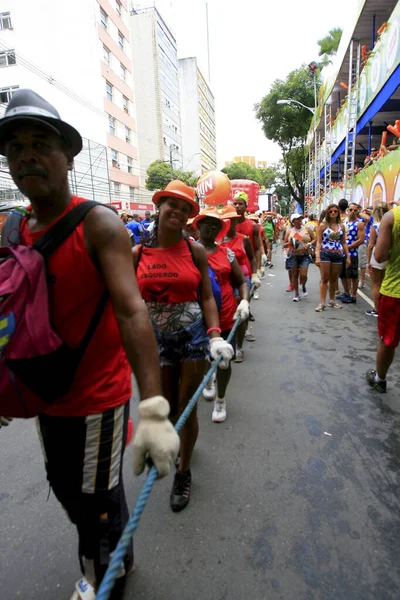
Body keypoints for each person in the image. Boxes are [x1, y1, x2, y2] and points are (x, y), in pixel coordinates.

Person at [0, 89, 180, 598]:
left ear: (68, 156)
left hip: (96, 402)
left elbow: (131, 310)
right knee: (67, 487)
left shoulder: (99, 224)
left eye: (40, 143)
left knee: (94, 508)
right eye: (15, 148)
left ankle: (106, 577)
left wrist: (153, 409)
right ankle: (114, 547)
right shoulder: (11, 227)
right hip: (44, 394)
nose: (26, 156)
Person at [132, 180, 234, 511]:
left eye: (184, 207)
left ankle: (184, 471)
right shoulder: (137, 254)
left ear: (189, 214)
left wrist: (216, 334)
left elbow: (206, 295)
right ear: (158, 207)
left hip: (193, 337)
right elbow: (128, 303)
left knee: (186, 408)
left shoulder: (195, 251)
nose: (176, 210)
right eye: (170, 204)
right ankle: (170, 444)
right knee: (166, 407)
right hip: (154, 342)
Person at [194, 207, 249, 422]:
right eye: (207, 223)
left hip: (225, 314)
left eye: (216, 225)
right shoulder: (187, 251)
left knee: (225, 360)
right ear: (197, 225)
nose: (211, 227)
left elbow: (240, 281)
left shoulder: (226, 253)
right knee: (204, 355)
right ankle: (208, 379)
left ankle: (221, 398)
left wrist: (244, 300)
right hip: (197, 317)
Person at [219, 204, 259, 362]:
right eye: (227, 220)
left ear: (236, 222)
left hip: (242, 280)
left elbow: (252, 258)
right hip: (224, 280)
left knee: (241, 314)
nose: (230, 223)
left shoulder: (244, 239)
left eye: (233, 220)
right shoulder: (218, 240)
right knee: (226, 314)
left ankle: (239, 347)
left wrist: (255, 273)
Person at [366, 204, 400, 392]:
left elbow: (379, 256)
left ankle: (380, 379)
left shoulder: (392, 217)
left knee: (388, 340)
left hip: (395, 290)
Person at [315, 204, 350, 312]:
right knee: (325, 278)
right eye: (331, 211)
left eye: (335, 211)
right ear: (327, 212)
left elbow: (343, 242)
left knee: (334, 279)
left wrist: (347, 256)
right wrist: (317, 256)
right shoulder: (323, 225)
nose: (333, 213)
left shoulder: (341, 226)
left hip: (337, 254)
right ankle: (322, 302)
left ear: (338, 212)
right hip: (325, 252)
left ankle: (332, 300)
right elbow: (319, 242)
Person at [284, 213, 314, 302]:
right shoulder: (290, 231)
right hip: (293, 255)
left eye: (301, 219)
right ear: (293, 221)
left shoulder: (307, 229)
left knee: (303, 275)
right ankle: (297, 294)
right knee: (294, 275)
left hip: (305, 255)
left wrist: (309, 244)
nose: (300, 220)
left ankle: (303, 286)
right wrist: (291, 244)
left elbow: (314, 239)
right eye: (298, 219)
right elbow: (285, 243)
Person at [366, 203, 389, 317]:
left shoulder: (375, 226)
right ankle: (385, 308)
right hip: (389, 255)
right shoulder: (391, 224)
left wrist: (368, 260)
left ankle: (376, 308)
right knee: (385, 283)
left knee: (376, 284)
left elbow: (370, 245)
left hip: (376, 254)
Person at [340, 203, 365, 303]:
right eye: (351, 210)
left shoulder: (360, 223)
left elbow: (361, 240)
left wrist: (348, 247)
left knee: (353, 275)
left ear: (358, 211)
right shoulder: (345, 222)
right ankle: (346, 292)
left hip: (353, 253)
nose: (353, 212)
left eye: (355, 210)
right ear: (347, 210)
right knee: (342, 274)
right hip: (342, 253)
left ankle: (353, 295)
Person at [233, 191, 262, 271]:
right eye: (235, 204)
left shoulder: (253, 225)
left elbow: (257, 249)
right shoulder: (227, 225)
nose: (237, 206)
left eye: (240, 204)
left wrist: (258, 269)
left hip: (248, 268)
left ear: (246, 206)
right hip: (231, 269)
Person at [358, 205, 374, 289]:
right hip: (356, 241)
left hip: (366, 240)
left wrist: (360, 212)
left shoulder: (369, 217)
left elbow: (367, 218)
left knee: (363, 262)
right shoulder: (357, 219)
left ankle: (362, 280)